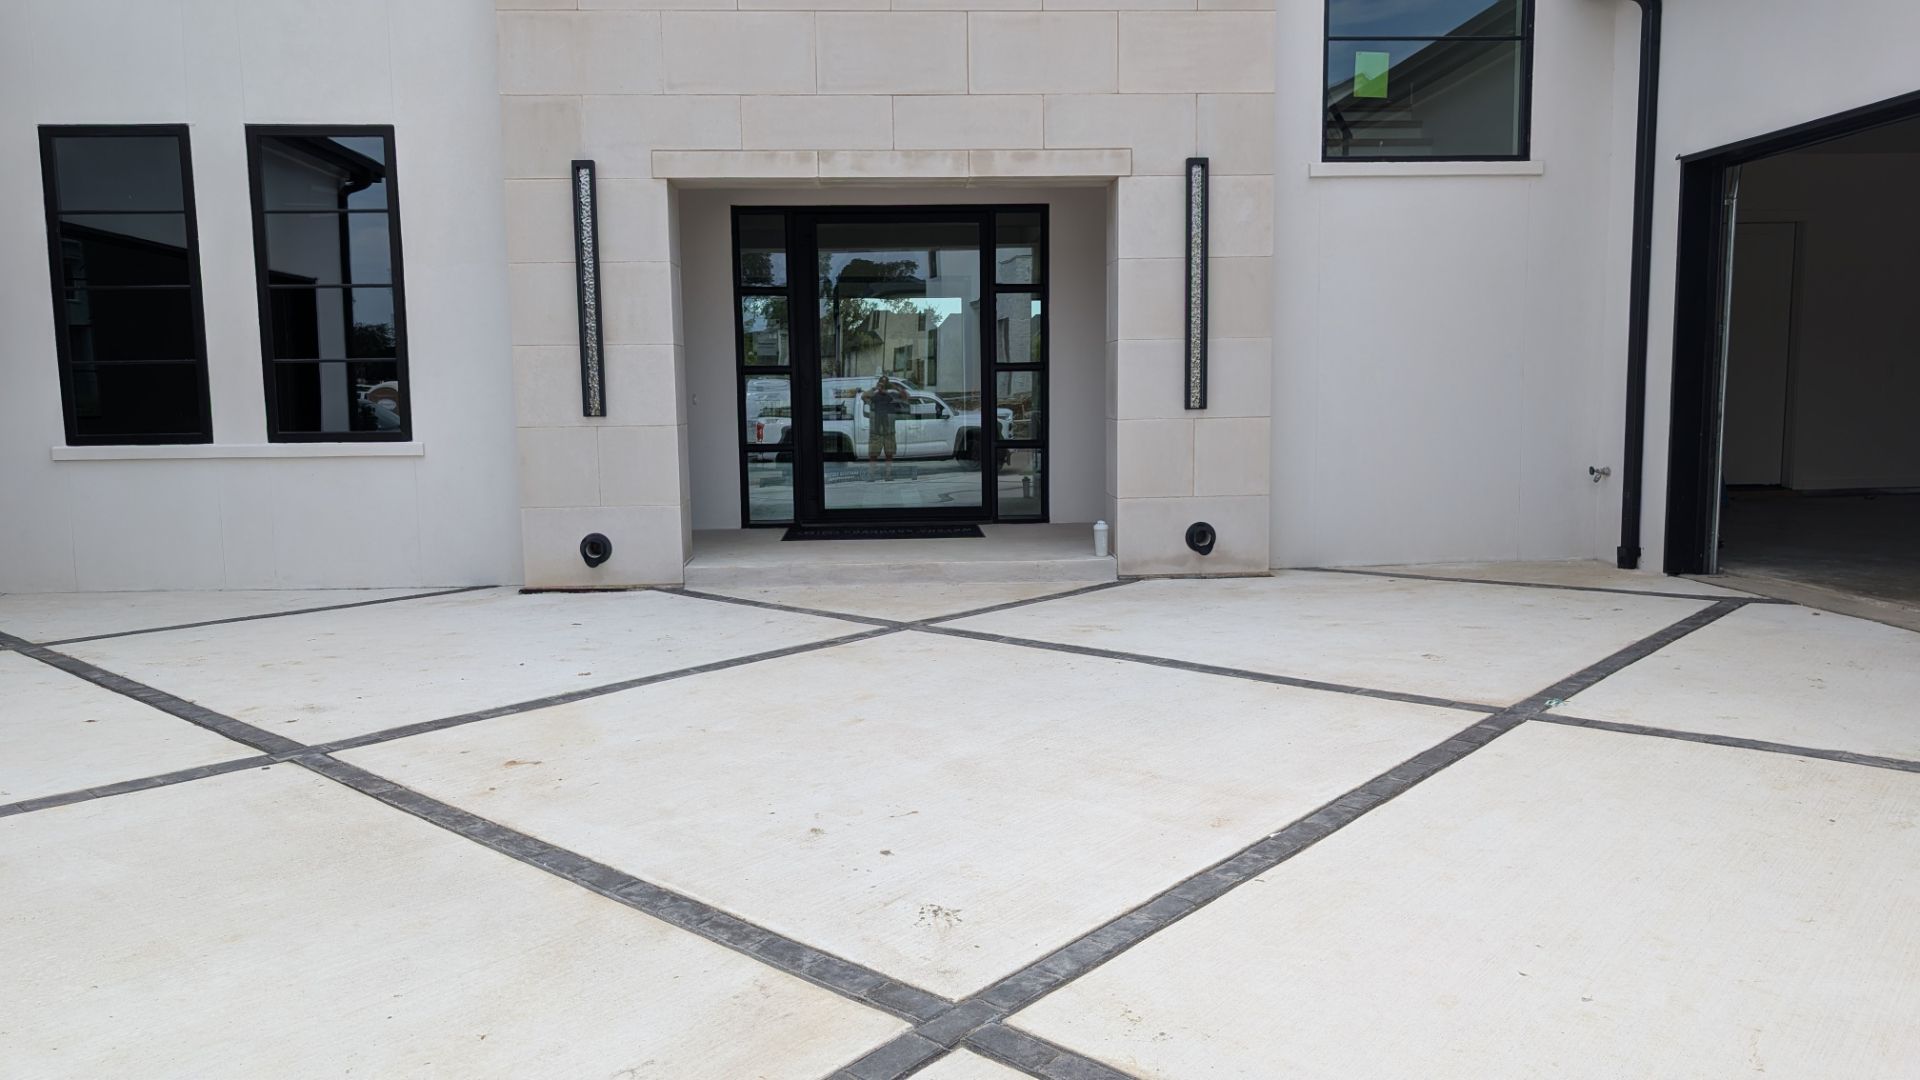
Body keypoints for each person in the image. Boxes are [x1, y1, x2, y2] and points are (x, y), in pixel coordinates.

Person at [861, 374, 910, 481]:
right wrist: (875, 388)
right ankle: (871, 475)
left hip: (889, 430)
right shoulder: (873, 397)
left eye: (885, 383)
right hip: (876, 431)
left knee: (889, 453)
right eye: (881, 383)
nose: (883, 386)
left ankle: (888, 475)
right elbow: (863, 396)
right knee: (873, 454)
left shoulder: (892, 397)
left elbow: (906, 397)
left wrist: (894, 387)